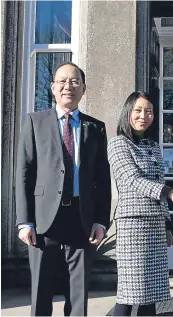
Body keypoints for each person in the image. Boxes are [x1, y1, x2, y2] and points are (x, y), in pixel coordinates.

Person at [15, 62, 112, 316]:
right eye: (62, 81)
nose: (68, 86)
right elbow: (24, 173)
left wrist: (101, 221)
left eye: (74, 82)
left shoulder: (95, 127)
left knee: (78, 293)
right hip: (44, 219)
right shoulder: (35, 122)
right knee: (41, 291)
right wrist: (25, 221)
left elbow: (102, 179)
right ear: (52, 87)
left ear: (84, 89)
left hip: (81, 219)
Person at [107, 91, 173, 316]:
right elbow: (133, 180)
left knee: (151, 292)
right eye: (138, 110)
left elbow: (158, 180)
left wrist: (166, 225)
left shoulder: (153, 146)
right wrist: (171, 194)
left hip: (155, 226)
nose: (143, 116)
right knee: (128, 292)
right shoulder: (118, 144)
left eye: (149, 111)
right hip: (133, 226)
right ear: (128, 113)